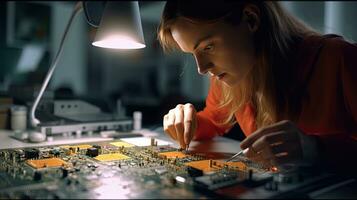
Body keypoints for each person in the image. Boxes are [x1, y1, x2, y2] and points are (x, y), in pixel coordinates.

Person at [158, 0, 357, 173]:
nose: (202, 68)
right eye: (192, 54)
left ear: (251, 19)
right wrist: (186, 120)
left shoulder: (340, 58)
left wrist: (316, 149)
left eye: (208, 47)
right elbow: (213, 120)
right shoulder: (229, 76)